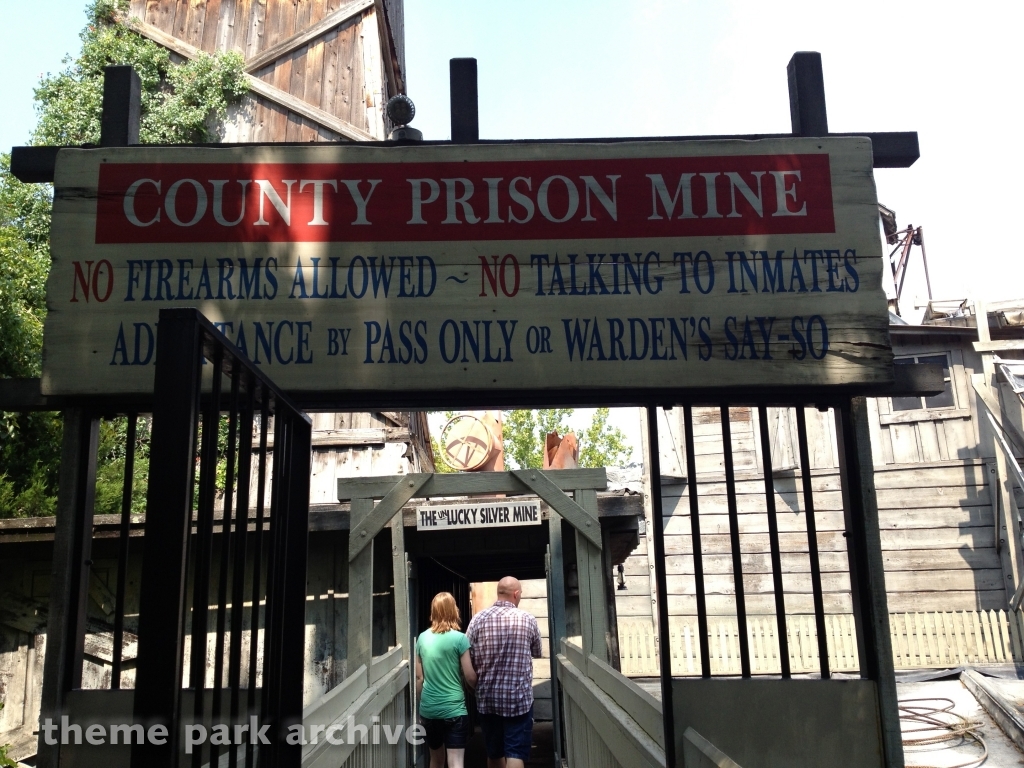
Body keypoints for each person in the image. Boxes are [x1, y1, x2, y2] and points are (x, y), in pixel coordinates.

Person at [466, 576, 543, 768]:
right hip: (518, 699)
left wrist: (475, 686)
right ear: (516, 594)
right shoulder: (527, 619)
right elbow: (536, 652)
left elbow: (468, 658)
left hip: (487, 698)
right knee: (516, 753)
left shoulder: (477, 620)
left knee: (494, 753)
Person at [415, 592, 477, 768]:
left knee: (435, 760)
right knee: (456, 761)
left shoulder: (422, 638)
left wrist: (423, 703)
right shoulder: (460, 639)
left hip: (430, 710)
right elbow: (470, 675)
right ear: (453, 611)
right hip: (454, 709)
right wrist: (476, 690)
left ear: (433, 611)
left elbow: (419, 677)